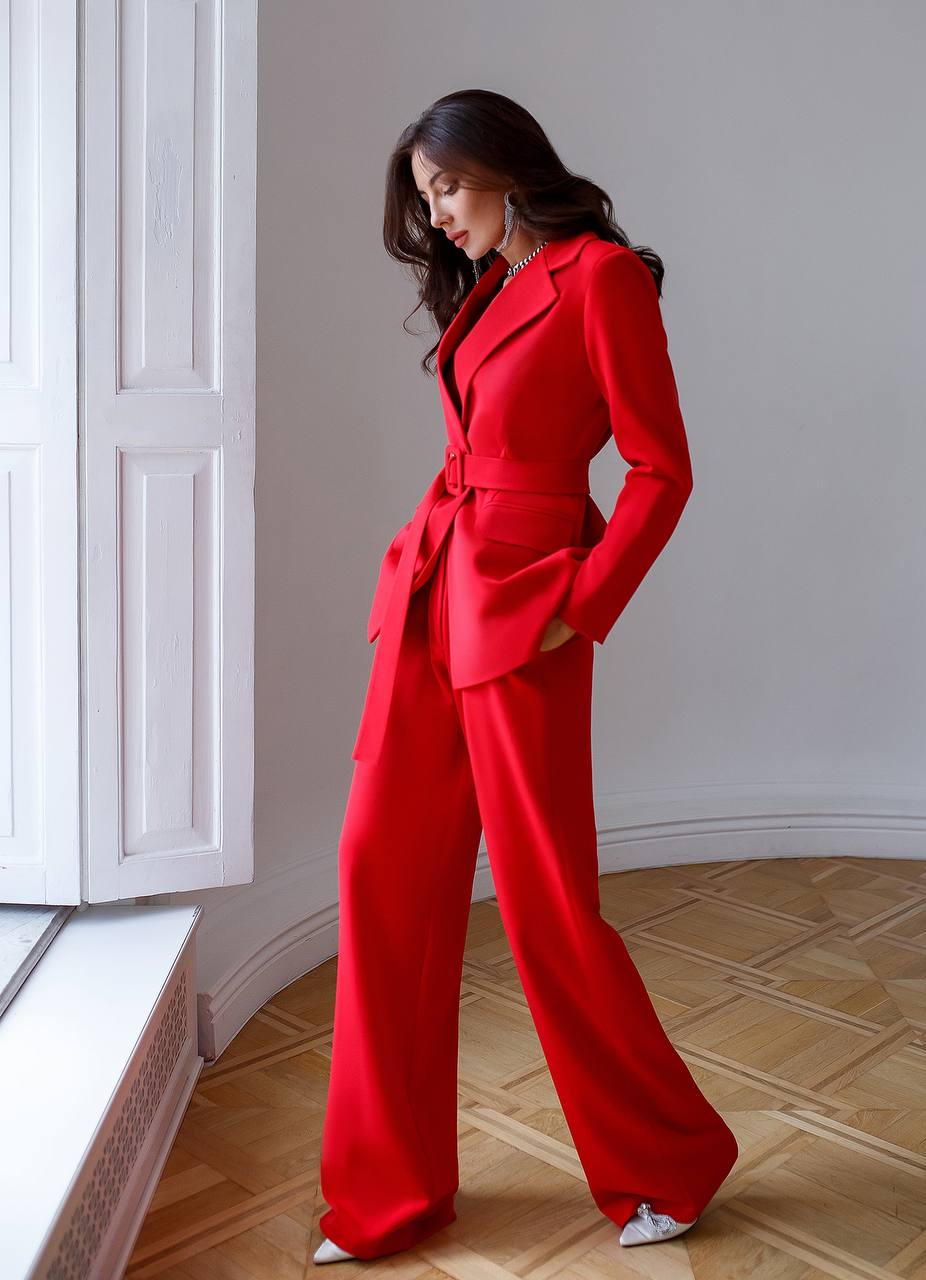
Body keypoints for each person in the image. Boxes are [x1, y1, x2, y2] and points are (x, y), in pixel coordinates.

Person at [314, 89, 738, 1265]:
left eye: (445, 187)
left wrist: (579, 609)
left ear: (501, 165)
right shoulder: (496, 282)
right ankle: (385, 1192)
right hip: (428, 595)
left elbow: (662, 467)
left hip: (522, 614)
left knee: (547, 898)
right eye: (424, 197)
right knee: (378, 866)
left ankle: (670, 1161)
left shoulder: (600, 276)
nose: (435, 215)